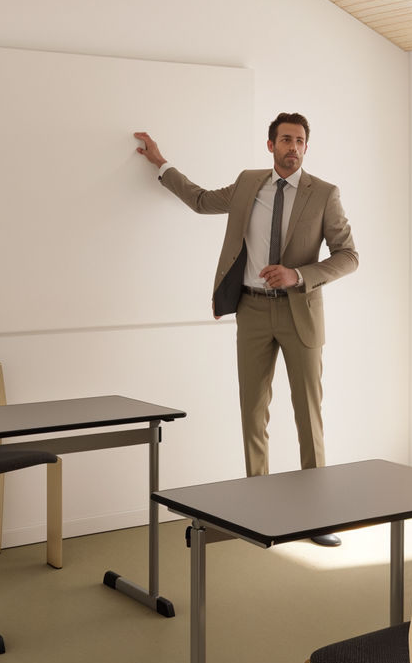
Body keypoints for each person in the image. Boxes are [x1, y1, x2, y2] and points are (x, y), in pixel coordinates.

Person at [134, 116, 360, 543]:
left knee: (308, 415)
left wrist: (298, 274)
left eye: (301, 141)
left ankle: (318, 517)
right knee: (252, 413)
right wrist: (162, 165)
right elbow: (200, 201)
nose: (294, 147)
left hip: (300, 314)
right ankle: (259, 509)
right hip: (252, 311)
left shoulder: (324, 194)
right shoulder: (248, 183)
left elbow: (348, 255)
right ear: (271, 144)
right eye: (286, 140)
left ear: (306, 147)